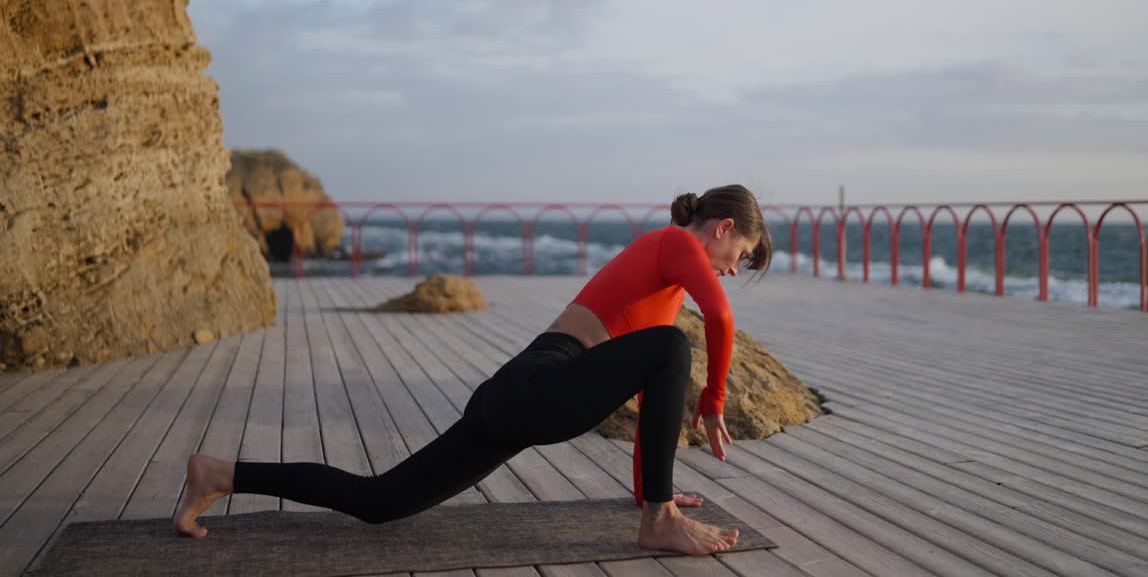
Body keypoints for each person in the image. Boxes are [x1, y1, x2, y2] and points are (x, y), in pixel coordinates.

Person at [174, 184, 772, 556]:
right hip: (538, 384)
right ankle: (657, 521)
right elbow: (719, 320)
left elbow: (650, 400)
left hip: (519, 391)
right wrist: (712, 403)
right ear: (722, 229)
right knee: (672, 346)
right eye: (738, 257)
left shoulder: (666, 287)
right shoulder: (676, 243)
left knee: (380, 501)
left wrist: (650, 491)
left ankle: (221, 474)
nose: (728, 271)